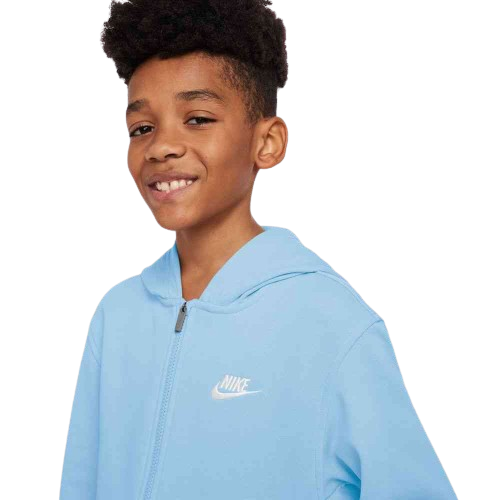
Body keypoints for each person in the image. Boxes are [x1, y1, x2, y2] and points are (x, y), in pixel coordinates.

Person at [59, 1, 458, 499]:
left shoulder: (332, 323)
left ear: (267, 142)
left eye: (198, 118)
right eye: (142, 128)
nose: (161, 146)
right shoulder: (117, 316)